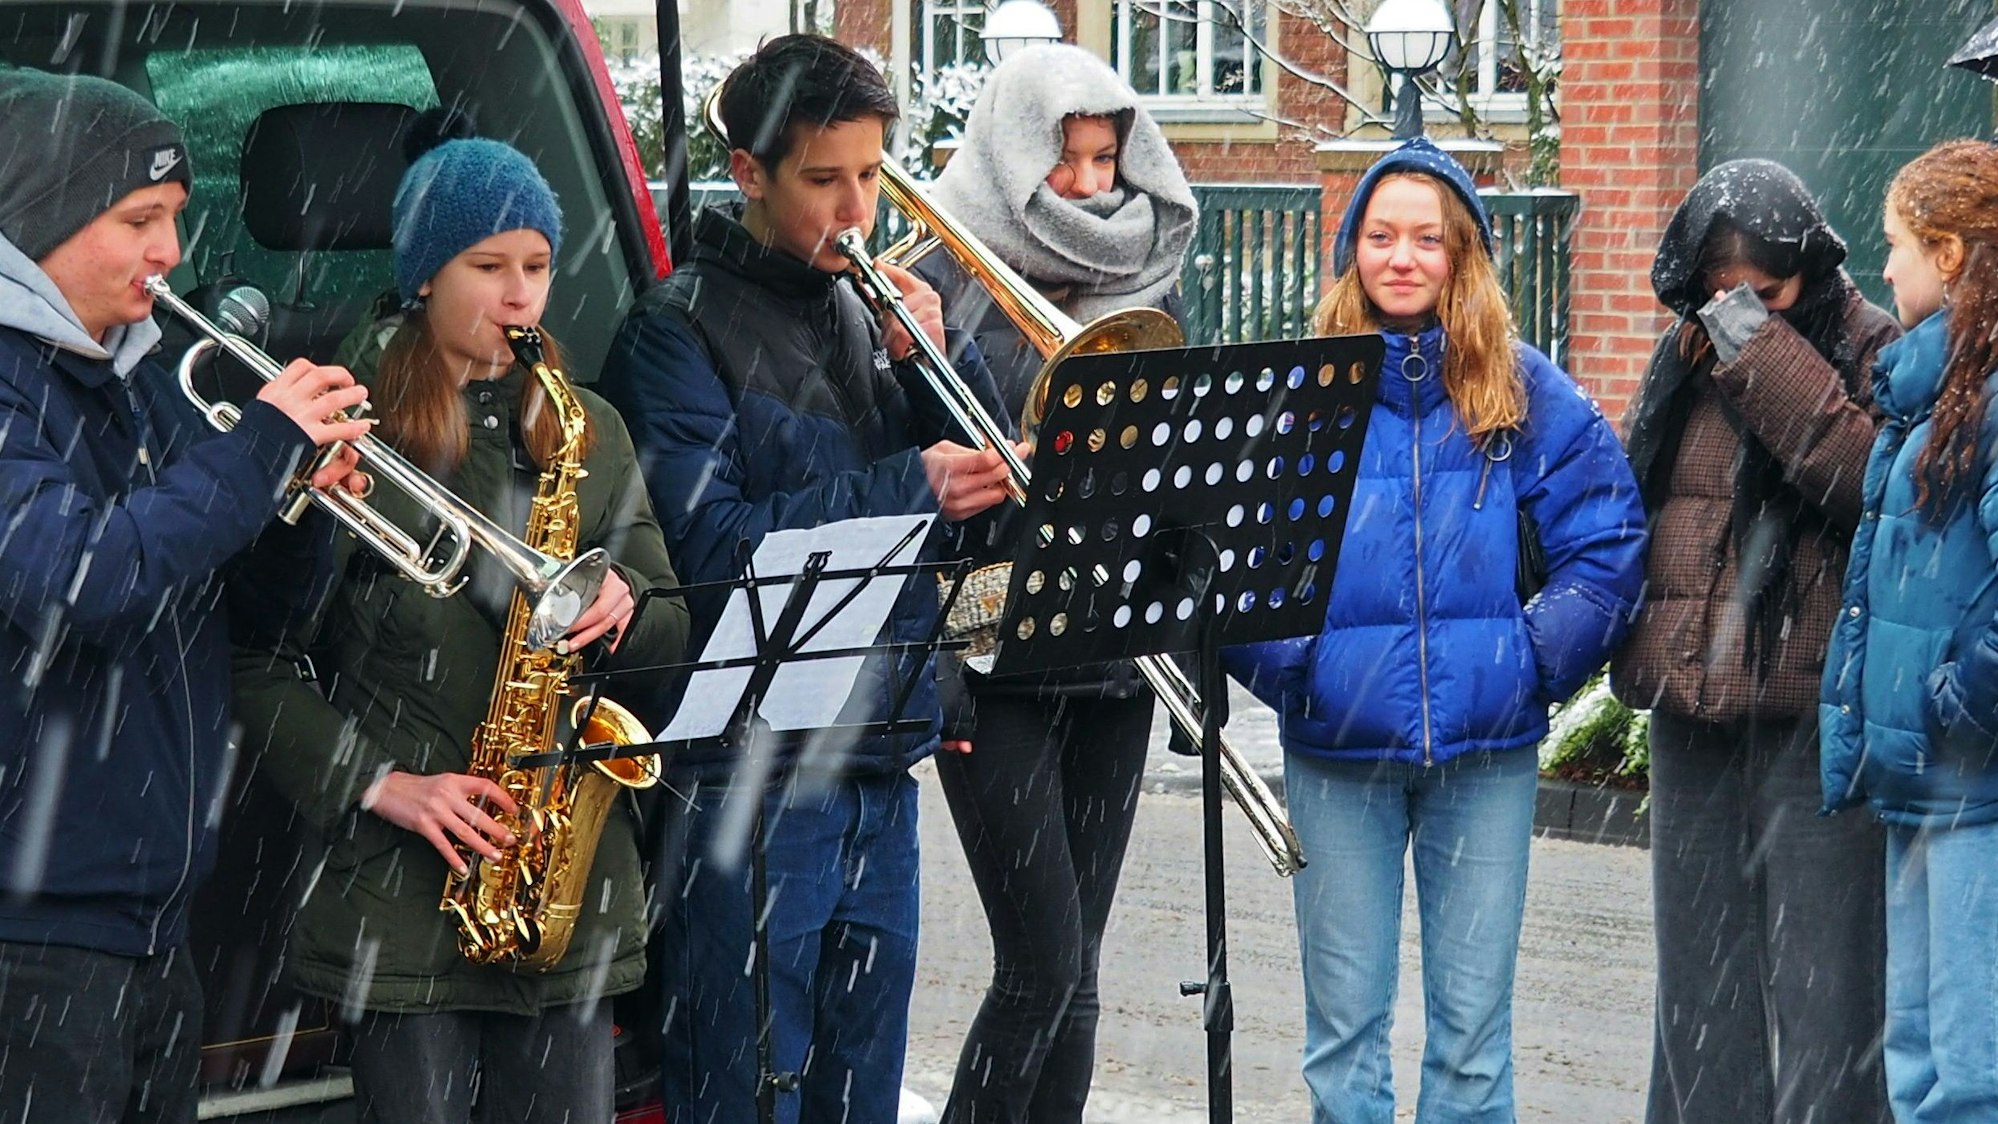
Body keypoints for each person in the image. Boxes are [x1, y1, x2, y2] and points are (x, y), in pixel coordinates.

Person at [229, 118, 690, 1123]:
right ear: (426, 274)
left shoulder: (588, 427)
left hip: (564, 899)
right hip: (404, 896)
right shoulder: (348, 427)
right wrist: (378, 782)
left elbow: (667, 634)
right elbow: (257, 659)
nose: (521, 291)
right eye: (489, 264)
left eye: (538, 263)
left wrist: (626, 609)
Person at [597, 34, 1016, 1124]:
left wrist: (943, 369)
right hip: (744, 779)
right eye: (824, 180)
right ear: (748, 172)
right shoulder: (673, 330)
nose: (857, 209)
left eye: (873, 176)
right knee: (743, 1094)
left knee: (858, 1094)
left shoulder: (870, 307)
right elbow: (705, 557)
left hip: (878, 762)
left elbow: (997, 509)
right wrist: (903, 485)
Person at [1224, 138, 1646, 1123]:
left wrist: (1529, 659)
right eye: (1381, 236)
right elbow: (1232, 567)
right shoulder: (1302, 392)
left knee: (1470, 1047)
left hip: (1486, 755)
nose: (1401, 257)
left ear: (1463, 256)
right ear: (1352, 249)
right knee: (1344, 1045)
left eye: (1426, 239)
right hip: (1336, 753)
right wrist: (1302, 672)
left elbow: (1611, 543)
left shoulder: (1525, 389)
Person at [0, 70, 371, 1123]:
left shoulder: (147, 374)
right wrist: (258, 451)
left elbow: (241, 617)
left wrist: (296, 508)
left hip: (154, 923)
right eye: (140, 219)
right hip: (31, 944)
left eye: (175, 217)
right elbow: (82, 581)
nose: (172, 251)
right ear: (41, 220)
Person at [912, 42, 1196, 1124]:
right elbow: (920, 466)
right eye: (1064, 163)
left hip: (1112, 651)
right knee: (1035, 959)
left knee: (1077, 968)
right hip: (989, 654)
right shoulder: (936, 268)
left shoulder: (1147, 271)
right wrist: (921, 354)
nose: (1088, 187)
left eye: (1105, 161)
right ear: (1011, 155)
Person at [1615, 160, 1899, 1124]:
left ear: (1809, 269)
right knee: (1700, 989)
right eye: (1723, 295)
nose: (1742, 313)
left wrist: (1759, 352)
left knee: (1828, 995)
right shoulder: (1681, 353)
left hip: (1808, 706)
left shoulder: (1870, 342)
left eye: (1767, 294)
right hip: (1694, 706)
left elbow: (1866, 479)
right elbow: (1640, 504)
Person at [1821, 138, 1998, 1124]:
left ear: (1951, 254)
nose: (1882, 271)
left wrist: (1956, 702)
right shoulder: (1929, 388)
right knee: (1922, 1066)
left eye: (1897, 245)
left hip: (1974, 781)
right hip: (1925, 778)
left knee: (1972, 1074)